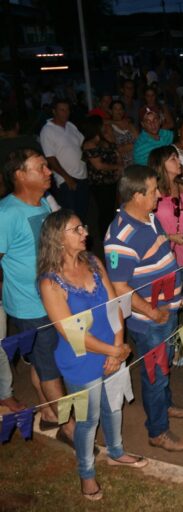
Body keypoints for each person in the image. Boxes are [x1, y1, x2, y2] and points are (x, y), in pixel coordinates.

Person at [38, 210, 147, 502]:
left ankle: (116, 452)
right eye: (77, 229)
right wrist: (115, 350)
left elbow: (115, 305)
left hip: (113, 348)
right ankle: (86, 475)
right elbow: (70, 332)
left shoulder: (94, 262)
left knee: (113, 408)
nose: (85, 232)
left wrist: (120, 343)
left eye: (83, 227)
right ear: (58, 239)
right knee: (87, 420)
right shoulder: (50, 283)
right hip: (80, 360)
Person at [104, 164, 183, 452]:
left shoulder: (149, 218)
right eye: (153, 191)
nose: (159, 196)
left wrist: (169, 239)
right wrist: (152, 312)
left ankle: (164, 407)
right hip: (150, 320)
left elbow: (153, 246)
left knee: (163, 366)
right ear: (137, 195)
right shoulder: (120, 237)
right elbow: (119, 288)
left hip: (167, 310)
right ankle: (157, 431)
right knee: (155, 373)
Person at [0, 148, 75, 443]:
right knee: (50, 367)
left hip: (52, 298)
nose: (49, 172)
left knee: (41, 362)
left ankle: (47, 414)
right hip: (30, 306)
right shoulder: (6, 214)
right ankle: (69, 429)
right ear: (20, 175)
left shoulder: (42, 203)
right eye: (41, 167)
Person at [148, 145, 183, 323]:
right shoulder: (152, 194)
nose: (179, 162)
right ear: (160, 165)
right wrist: (170, 237)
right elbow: (147, 229)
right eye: (173, 158)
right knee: (169, 301)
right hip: (165, 258)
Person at [39, 98, 89, 222]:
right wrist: (67, 178)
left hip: (82, 176)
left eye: (67, 110)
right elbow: (50, 157)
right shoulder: (47, 130)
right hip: (66, 179)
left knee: (82, 214)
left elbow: (81, 144)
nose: (65, 112)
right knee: (70, 216)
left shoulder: (71, 126)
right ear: (54, 111)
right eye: (62, 110)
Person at [80, 115, 122, 239]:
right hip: (100, 184)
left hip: (111, 181)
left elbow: (116, 150)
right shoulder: (89, 144)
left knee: (111, 210)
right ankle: (105, 238)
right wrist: (117, 167)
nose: (105, 126)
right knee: (105, 212)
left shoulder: (103, 140)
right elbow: (98, 166)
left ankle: (111, 236)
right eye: (102, 124)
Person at [107, 100, 138, 167]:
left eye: (120, 109)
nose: (119, 111)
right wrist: (131, 146)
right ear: (111, 111)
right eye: (115, 109)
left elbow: (139, 141)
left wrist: (127, 146)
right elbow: (115, 149)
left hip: (137, 160)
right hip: (123, 163)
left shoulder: (129, 124)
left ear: (124, 111)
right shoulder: (109, 127)